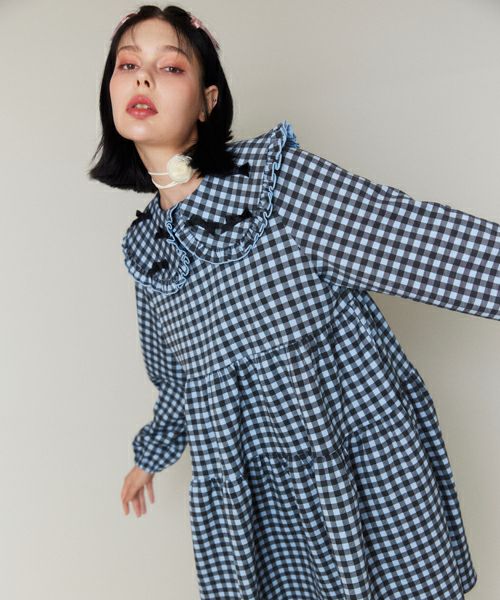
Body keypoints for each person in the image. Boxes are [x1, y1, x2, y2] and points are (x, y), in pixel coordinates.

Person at [88, 5, 499, 599]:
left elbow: (424, 243)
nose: (143, 77)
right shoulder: (152, 252)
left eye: (170, 67)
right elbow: (179, 378)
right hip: (255, 505)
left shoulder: (278, 188)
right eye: (128, 65)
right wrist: (151, 454)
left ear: (207, 101)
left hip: (349, 475)